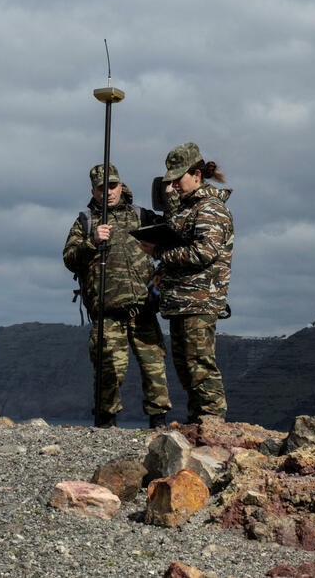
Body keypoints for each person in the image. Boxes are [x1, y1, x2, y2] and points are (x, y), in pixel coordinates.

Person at [63, 163, 172, 428]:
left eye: (113, 186)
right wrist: (92, 242)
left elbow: (171, 238)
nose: (108, 192)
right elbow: (70, 258)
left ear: (120, 186)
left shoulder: (141, 216)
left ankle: (159, 424)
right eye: (102, 188)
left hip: (143, 308)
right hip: (107, 313)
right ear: (94, 191)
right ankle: (105, 424)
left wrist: (161, 275)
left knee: (154, 368)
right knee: (108, 370)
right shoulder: (86, 221)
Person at [139, 142, 232, 423]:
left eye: (178, 179)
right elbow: (183, 240)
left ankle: (214, 425)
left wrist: (159, 252)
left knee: (199, 366)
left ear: (196, 174)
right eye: (170, 181)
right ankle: (199, 424)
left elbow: (205, 251)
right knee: (186, 367)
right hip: (181, 299)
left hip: (200, 300)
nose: (174, 186)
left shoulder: (210, 209)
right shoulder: (188, 209)